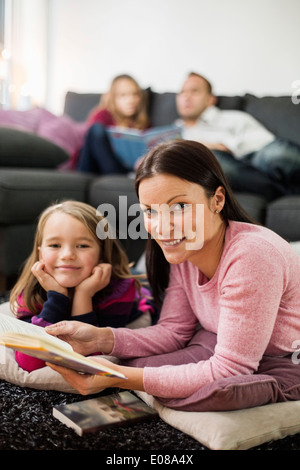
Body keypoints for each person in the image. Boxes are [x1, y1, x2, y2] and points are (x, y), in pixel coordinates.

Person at [45, 141, 300, 409]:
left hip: (286, 358)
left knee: (218, 389)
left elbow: (230, 369)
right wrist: (100, 338)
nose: (162, 227)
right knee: (137, 364)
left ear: (217, 200)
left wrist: (119, 379)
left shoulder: (251, 255)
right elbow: (174, 332)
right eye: (150, 212)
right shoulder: (186, 250)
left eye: (179, 207)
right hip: (215, 341)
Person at [10, 200, 156, 372]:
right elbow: (29, 363)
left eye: (82, 246)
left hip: (140, 299)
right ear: (40, 252)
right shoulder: (32, 290)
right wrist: (56, 298)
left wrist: (83, 295)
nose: (67, 255)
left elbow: (91, 360)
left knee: (150, 275)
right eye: (55, 245)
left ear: (102, 253)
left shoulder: (121, 290)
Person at [175, 72, 300, 199]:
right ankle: (284, 191)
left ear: (211, 99)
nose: (187, 96)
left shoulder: (233, 118)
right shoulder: (173, 132)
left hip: (256, 158)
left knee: (277, 154)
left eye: (195, 91)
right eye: (182, 92)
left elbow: (266, 145)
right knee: (215, 163)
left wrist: (225, 147)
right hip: (229, 173)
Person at [76, 74, 149, 174]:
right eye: (123, 95)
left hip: (126, 167)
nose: (131, 100)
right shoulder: (103, 115)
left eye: (135, 94)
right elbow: (92, 146)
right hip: (93, 166)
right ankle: (119, 175)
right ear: (113, 98)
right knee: (96, 129)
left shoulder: (143, 123)